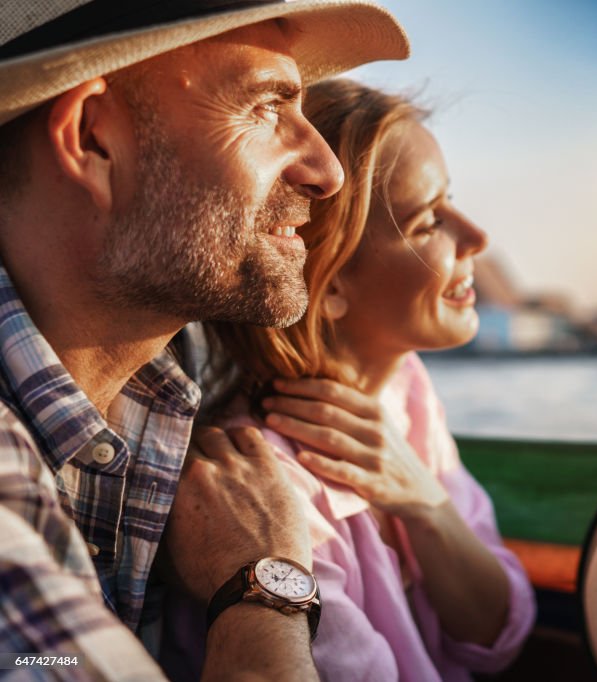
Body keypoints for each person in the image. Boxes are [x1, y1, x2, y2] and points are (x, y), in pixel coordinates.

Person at [0, 2, 408, 680]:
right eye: (267, 107)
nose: (327, 172)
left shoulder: (170, 376)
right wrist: (261, 590)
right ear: (94, 139)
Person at [171, 79, 535, 680]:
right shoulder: (266, 484)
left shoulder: (405, 391)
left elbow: (499, 634)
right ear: (330, 282)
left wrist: (427, 503)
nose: (476, 237)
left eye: (454, 202)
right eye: (428, 221)